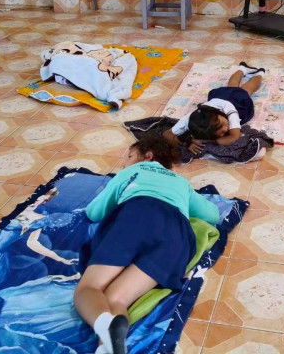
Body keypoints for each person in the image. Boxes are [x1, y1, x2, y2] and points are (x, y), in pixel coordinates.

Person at [74, 135, 221, 354]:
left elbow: (94, 212)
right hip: (177, 236)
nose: (124, 163)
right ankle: (109, 346)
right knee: (117, 299)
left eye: (129, 156)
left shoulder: (133, 171)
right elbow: (213, 215)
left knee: (89, 288)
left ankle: (104, 325)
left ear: (147, 156)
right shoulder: (181, 183)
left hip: (137, 217)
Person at [162, 62, 264, 156]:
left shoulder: (229, 111)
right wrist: (187, 144)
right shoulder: (193, 120)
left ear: (217, 113)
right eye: (222, 133)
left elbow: (234, 136)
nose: (226, 129)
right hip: (219, 96)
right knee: (231, 85)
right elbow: (167, 134)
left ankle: (259, 74)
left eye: (223, 124)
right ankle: (242, 68)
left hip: (237, 102)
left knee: (247, 89)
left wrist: (209, 141)